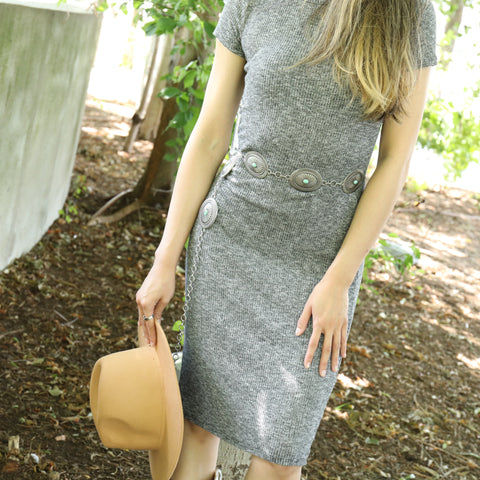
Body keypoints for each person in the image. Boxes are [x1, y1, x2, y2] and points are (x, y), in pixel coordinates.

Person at [136, 0, 437, 479]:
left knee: (280, 456)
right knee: (195, 429)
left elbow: (394, 164)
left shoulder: (410, 13)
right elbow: (212, 133)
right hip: (232, 243)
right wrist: (164, 258)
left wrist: (339, 280)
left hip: (320, 269)